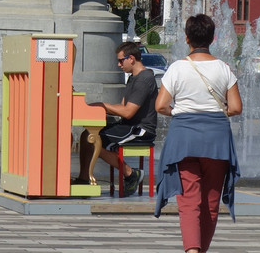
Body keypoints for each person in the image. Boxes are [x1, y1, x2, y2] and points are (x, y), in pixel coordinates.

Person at [154, 14, 241, 253]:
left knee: (189, 201)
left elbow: (160, 105)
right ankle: (201, 250)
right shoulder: (224, 68)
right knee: (211, 203)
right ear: (212, 38)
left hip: (184, 139)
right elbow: (235, 108)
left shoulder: (177, 68)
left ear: (186, 38)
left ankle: (192, 250)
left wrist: (180, 113)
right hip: (216, 141)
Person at [75, 41, 158, 195]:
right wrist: (98, 110)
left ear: (131, 58)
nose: (119, 65)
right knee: (87, 135)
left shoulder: (144, 79)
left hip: (141, 129)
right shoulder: (133, 78)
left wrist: (103, 105)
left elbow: (127, 112)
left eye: (121, 60)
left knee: (93, 139)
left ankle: (131, 174)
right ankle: (83, 179)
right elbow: (122, 106)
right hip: (129, 126)